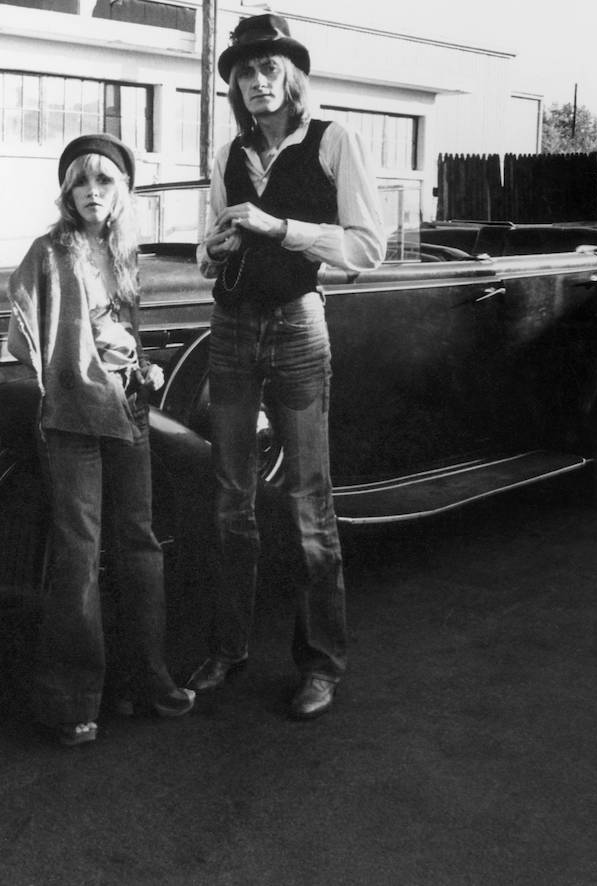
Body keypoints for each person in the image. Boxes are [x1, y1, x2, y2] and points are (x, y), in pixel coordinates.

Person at [188, 13, 383, 719]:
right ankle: (228, 647)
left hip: (300, 325)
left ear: (291, 77)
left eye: (270, 69)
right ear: (235, 84)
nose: (258, 82)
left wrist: (279, 228)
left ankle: (322, 664)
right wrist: (213, 248)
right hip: (233, 327)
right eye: (246, 71)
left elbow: (367, 248)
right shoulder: (229, 152)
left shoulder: (335, 141)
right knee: (230, 498)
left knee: (308, 500)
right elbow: (209, 249)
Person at [7, 133, 195, 747]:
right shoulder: (50, 250)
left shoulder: (123, 252)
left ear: (123, 191)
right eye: (82, 182)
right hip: (72, 419)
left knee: (139, 543)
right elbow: (22, 338)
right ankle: (73, 701)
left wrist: (138, 367)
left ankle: (151, 678)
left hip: (127, 410)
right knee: (78, 550)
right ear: (67, 192)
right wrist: (72, 371)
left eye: (105, 181)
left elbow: (122, 330)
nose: (93, 191)